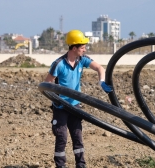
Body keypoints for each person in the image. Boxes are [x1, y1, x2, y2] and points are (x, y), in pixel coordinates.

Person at [44, 30, 112, 168]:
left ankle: (81, 165)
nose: (85, 49)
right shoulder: (59, 64)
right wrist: (56, 99)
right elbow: (47, 84)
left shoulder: (82, 60)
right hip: (61, 107)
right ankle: (60, 166)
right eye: (82, 47)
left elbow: (99, 68)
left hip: (75, 106)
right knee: (61, 137)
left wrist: (102, 82)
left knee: (77, 137)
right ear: (74, 48)